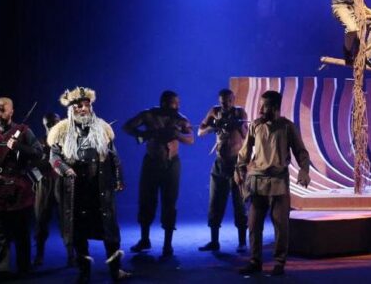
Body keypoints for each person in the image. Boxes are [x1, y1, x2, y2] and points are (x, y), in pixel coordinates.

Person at [48, 87, 130, 282]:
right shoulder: (61, 131)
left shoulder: (103, 128)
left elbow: (114, 156)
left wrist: (118, 178)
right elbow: (54, 157)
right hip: (76, 190)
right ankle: (84, 272)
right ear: (71, 109)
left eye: (86, 105)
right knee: (79, 232)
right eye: (79, 106)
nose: (83, 109)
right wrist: (65, 169)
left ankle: (115, 270)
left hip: (99, 188)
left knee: (110, 231)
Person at [235, 91, 311, 276]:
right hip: (258, 180)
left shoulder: (287, 127)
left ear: (275, 107)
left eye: (265, 106)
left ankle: (279, 262)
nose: (260, 109)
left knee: (281, 224)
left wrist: (304, 170)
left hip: (278, 181)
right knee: (254, 224)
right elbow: (244, 152)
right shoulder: (255, 126)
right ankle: (255, 261)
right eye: (261, 105)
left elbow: (301, 152)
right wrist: (240, 169)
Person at [0, 97, 42, 281]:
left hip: (20, 192)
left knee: (21, 234)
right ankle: (1, 270)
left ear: (11, 111)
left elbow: (38, 153)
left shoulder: (24, 131)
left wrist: (19, 146)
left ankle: (24, 268)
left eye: (3, 110)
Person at [123, 90, 194, 257]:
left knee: (170, 203)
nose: (177, 106)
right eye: (174, 103)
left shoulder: (180, 119)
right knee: (146, 201)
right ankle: (144, 240)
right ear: (164, 103)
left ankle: (167, 245)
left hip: (172, 164)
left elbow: (191, 139)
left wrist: (177, 135)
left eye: (178, 103)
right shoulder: (148, 115)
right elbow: (127, 127)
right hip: (151, 163)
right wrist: (143, 134)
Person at [198, 88, 248, 252]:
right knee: (215, 202)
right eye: (223, 102)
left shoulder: (240, 112)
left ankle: (242, 242)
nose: (226, 105)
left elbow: (247, 136)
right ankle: (214, 241)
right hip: (220, 163)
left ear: (233, 100)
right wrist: (213, 126)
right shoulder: (215, 111)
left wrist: (237, 125)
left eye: (229, 101)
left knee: (239, 203)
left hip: (237, 164)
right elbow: (200, 132)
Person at [33, 112, 75, 267]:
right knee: (41, 220)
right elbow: (31, 166)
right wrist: (39, 178)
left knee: (67, 220)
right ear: (44, 126)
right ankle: (39, 255)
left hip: (63, 184)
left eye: (55, 123)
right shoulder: (38, 144)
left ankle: (71, 255)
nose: (52, 126)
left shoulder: (67, 142)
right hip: (45, 186)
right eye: (48, 124)